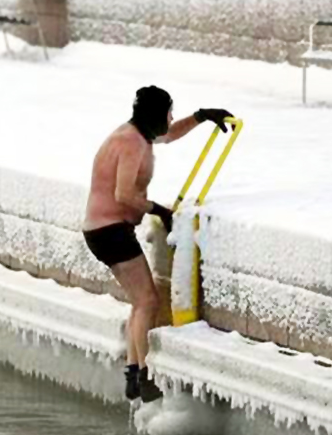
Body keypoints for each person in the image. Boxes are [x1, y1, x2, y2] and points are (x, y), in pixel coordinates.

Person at [82, 86, 230, 402]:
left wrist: (202, 117)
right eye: (169, 112)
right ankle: (142, 376)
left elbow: (170, 134)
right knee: (147, 301)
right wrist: (159, 210)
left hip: (106, 229)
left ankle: (135, 376)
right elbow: (123, 195)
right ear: (155, 114)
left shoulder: (138, 134)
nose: (172, 118)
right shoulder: (130, 143)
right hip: (110, 230)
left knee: (141, 302)